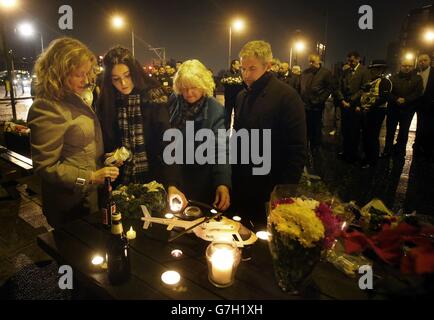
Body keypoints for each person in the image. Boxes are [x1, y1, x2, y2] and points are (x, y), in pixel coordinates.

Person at [27, 37, 119, 228]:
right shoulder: (46, 107)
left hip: (90, 197)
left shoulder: (77, 97)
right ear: (59, 73)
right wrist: (91, 177)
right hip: (71, 204)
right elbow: (45, 166)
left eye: (88, 73)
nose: (86, 80)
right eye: (79, 74)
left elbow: (82, 146)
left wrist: (106, 160)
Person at [96, 46, 187, 209]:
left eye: (127, 75)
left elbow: (167, 143)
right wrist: (110, 160)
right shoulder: (107, 102)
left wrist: (172, 183)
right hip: (120, 181)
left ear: (135, 72)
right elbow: (105, 143)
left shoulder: (153, 96)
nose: (123, 83)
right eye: (116, 79)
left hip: (153, 177)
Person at [232, 40, 306, 226]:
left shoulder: (286, 97)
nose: (246, 75)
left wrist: (283, 192)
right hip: (242, 182)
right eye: (242, 69)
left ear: (268, 66)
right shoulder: (242, 96)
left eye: (252, 68)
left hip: (270, 185)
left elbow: (297, 149)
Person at [168, 59, 231, 211]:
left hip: (200, 180)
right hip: (175, 175)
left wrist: (222, 183)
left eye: (193, 88)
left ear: (203, 85)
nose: (188, 93)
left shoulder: (215, 110)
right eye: (184, 88)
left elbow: (221, 150)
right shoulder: (174, 101)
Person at [335, 51, 371, 163]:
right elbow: (338, 87)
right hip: (345, 105)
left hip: (355, 106)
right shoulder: (345, 72)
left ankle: (353, 154)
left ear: (358, 59)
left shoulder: (364, 71)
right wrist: (342, 100)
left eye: (351, 60)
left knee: (354, 131)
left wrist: (351, 101)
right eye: (348, 60)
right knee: (345, 130)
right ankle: (346, 151)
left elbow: (364, 88)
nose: (349, 62)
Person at [383, 58, 423, 158]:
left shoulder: (417, 78)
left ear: (412, 66)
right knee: (390, 131)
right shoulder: (392, 78)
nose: (407, 68)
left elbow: (418, 93)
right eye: (404, 66)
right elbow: (387, 92)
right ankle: (387, 150)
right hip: (393, 109)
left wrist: (406, 99)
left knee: (404, 131)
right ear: (400, 66)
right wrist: (396, 99)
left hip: (408, 109)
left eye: (409, 66)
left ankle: (400, 151)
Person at [359, 60, 392, 168]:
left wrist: (370, 107)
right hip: (367, 111)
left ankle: (372, 161)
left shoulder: (385, 82)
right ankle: (367, 157)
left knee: (372, 136)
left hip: (377, 112)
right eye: (373, 69)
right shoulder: (370, 81)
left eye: (377, 69)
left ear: (382, 70)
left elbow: (384, 98)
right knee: (366, 135)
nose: (374, 71)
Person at [300, 53, 333, 153]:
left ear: (319, 61)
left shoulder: (325, 73)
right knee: (305, 126)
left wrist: (320, 99)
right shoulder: (305, 72)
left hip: (316, 105)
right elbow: (300, 86)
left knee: (316, 126)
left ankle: (315, 146)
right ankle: (306, 145)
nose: (310, 63)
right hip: (305, 105)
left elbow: (330, 87)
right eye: (309, 61)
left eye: (313, 61)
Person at [415, 53, 434, 159]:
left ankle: (428, 149)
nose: (422, 62)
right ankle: (418, 145)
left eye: (425, 60)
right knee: (420, 126)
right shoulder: (416, 73)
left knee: (430, 127)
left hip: (431, 106)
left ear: (429, 61)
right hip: (418, 105)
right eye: (420, 60)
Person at [220, 59, 244, 129]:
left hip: (238, 98)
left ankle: (236, 130)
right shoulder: (227, 73)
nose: (239, 65)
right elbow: (223, 82)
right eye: (237, 64)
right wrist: (228, 82)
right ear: (233, 65)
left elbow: (244, 83)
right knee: (227, 115)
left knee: (238, 115)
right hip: (229, 98)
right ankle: (226, 129)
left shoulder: (240, 74)